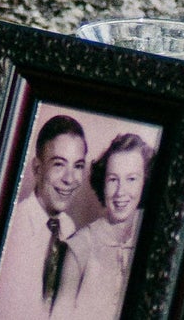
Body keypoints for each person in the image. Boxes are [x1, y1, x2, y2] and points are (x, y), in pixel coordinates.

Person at [0, 113, 88, 320]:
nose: (70, 179)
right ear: (37, 168)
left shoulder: (69, 229)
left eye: (77, 166)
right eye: (59, 164)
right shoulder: (11, 227)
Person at [56, 134, 153, 320]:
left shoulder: (155, 237)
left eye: (131, 179)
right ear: (102, 182)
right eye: (113, 180)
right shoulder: (80, 245)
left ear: (145, 181)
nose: (120, 192)